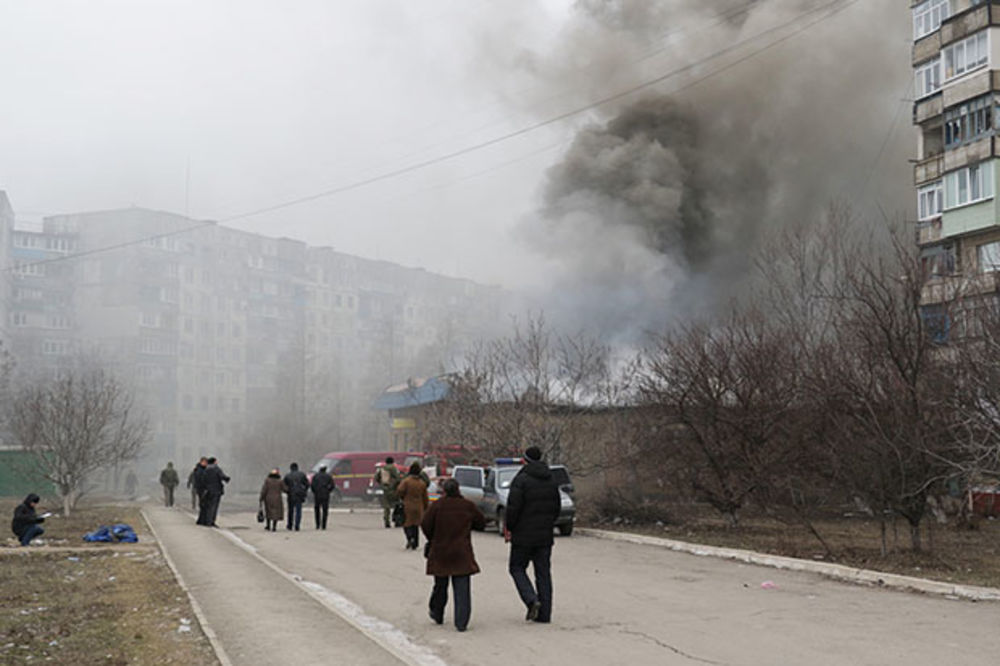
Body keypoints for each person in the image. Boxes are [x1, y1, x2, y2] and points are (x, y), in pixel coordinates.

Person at [421, 478, 486, 632]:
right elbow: (481, 523)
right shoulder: (467, 506)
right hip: (461, 551)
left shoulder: (437, 506)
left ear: (444, 490)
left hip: (440, 551)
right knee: (462, 587)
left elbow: (425, 525)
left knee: (440, 585)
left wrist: (433, 538)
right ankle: (461, 622)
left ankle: (437, 613)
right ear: (458, 490)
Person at [506, 446, 561, 624]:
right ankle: (544, 615)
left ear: (524, 460)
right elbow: (556, 508)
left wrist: (510, 528)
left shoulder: (521, 480)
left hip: (523, 535)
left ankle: (531, 599)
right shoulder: (551, 479)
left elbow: (513, 508)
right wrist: (548, 524)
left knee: (517, 567)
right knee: (543, 573)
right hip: (545, 535)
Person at [396, 462, 429, 550]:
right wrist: (426, 507)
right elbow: (425, 497)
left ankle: (409, 538)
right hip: (419, 506)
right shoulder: (422, 483)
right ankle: (415, 542)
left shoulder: (406, 481)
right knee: (416, 524)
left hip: (407, 505)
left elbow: (399, 491)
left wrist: (402, 497)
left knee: (407, 523)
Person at [201, 456, 230, 527]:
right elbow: (222, 476)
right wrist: (227, 479)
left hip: (208, 491)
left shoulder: (206, 470)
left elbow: (203, 480)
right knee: (214, 506)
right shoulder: (216, 469)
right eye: (216, 461)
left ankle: (208, 521)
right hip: (216, 490)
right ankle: (211, 521)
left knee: (209, 506)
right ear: (214, 462)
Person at [373, 456, 401, 528]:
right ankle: (397, 520)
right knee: (397, 504)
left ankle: (386, 521)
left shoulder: (382, 468)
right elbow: (398, 478)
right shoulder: (393, 468)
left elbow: (376, 477)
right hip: (393, 490)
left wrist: (382, 484)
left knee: (386, 507)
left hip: (385, 490)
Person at [282, 462, 309, 531]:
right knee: (298, 510)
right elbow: (307, 484)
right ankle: (297, 525)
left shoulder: (288, 476)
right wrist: (304, 491)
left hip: (291, 494)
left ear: (291, 468)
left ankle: (290, 525)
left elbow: (283, 485)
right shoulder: (302, 475)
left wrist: (287, 491)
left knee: (290, 510)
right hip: (299, 494)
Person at [310, 465, 335, 530]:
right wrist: (328, 491)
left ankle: (317, 525)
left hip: (317, 495)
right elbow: (332, 485)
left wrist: (315, 492)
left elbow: (312, 486)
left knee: (317, 510)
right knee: (325, 511)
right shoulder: (328, 476)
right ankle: (324, 525)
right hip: (325, 495)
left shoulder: (315, 476)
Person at [193, 457, 211, 525]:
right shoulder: (200, 470)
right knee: (203, 505)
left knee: (203, 505)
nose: (206, 464)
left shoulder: (199, 469)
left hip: (201, 489)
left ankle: (201, 520)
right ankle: (202, 520)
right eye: (205, 462)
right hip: (202, 489)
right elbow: (200, 480)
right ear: (202, 462)